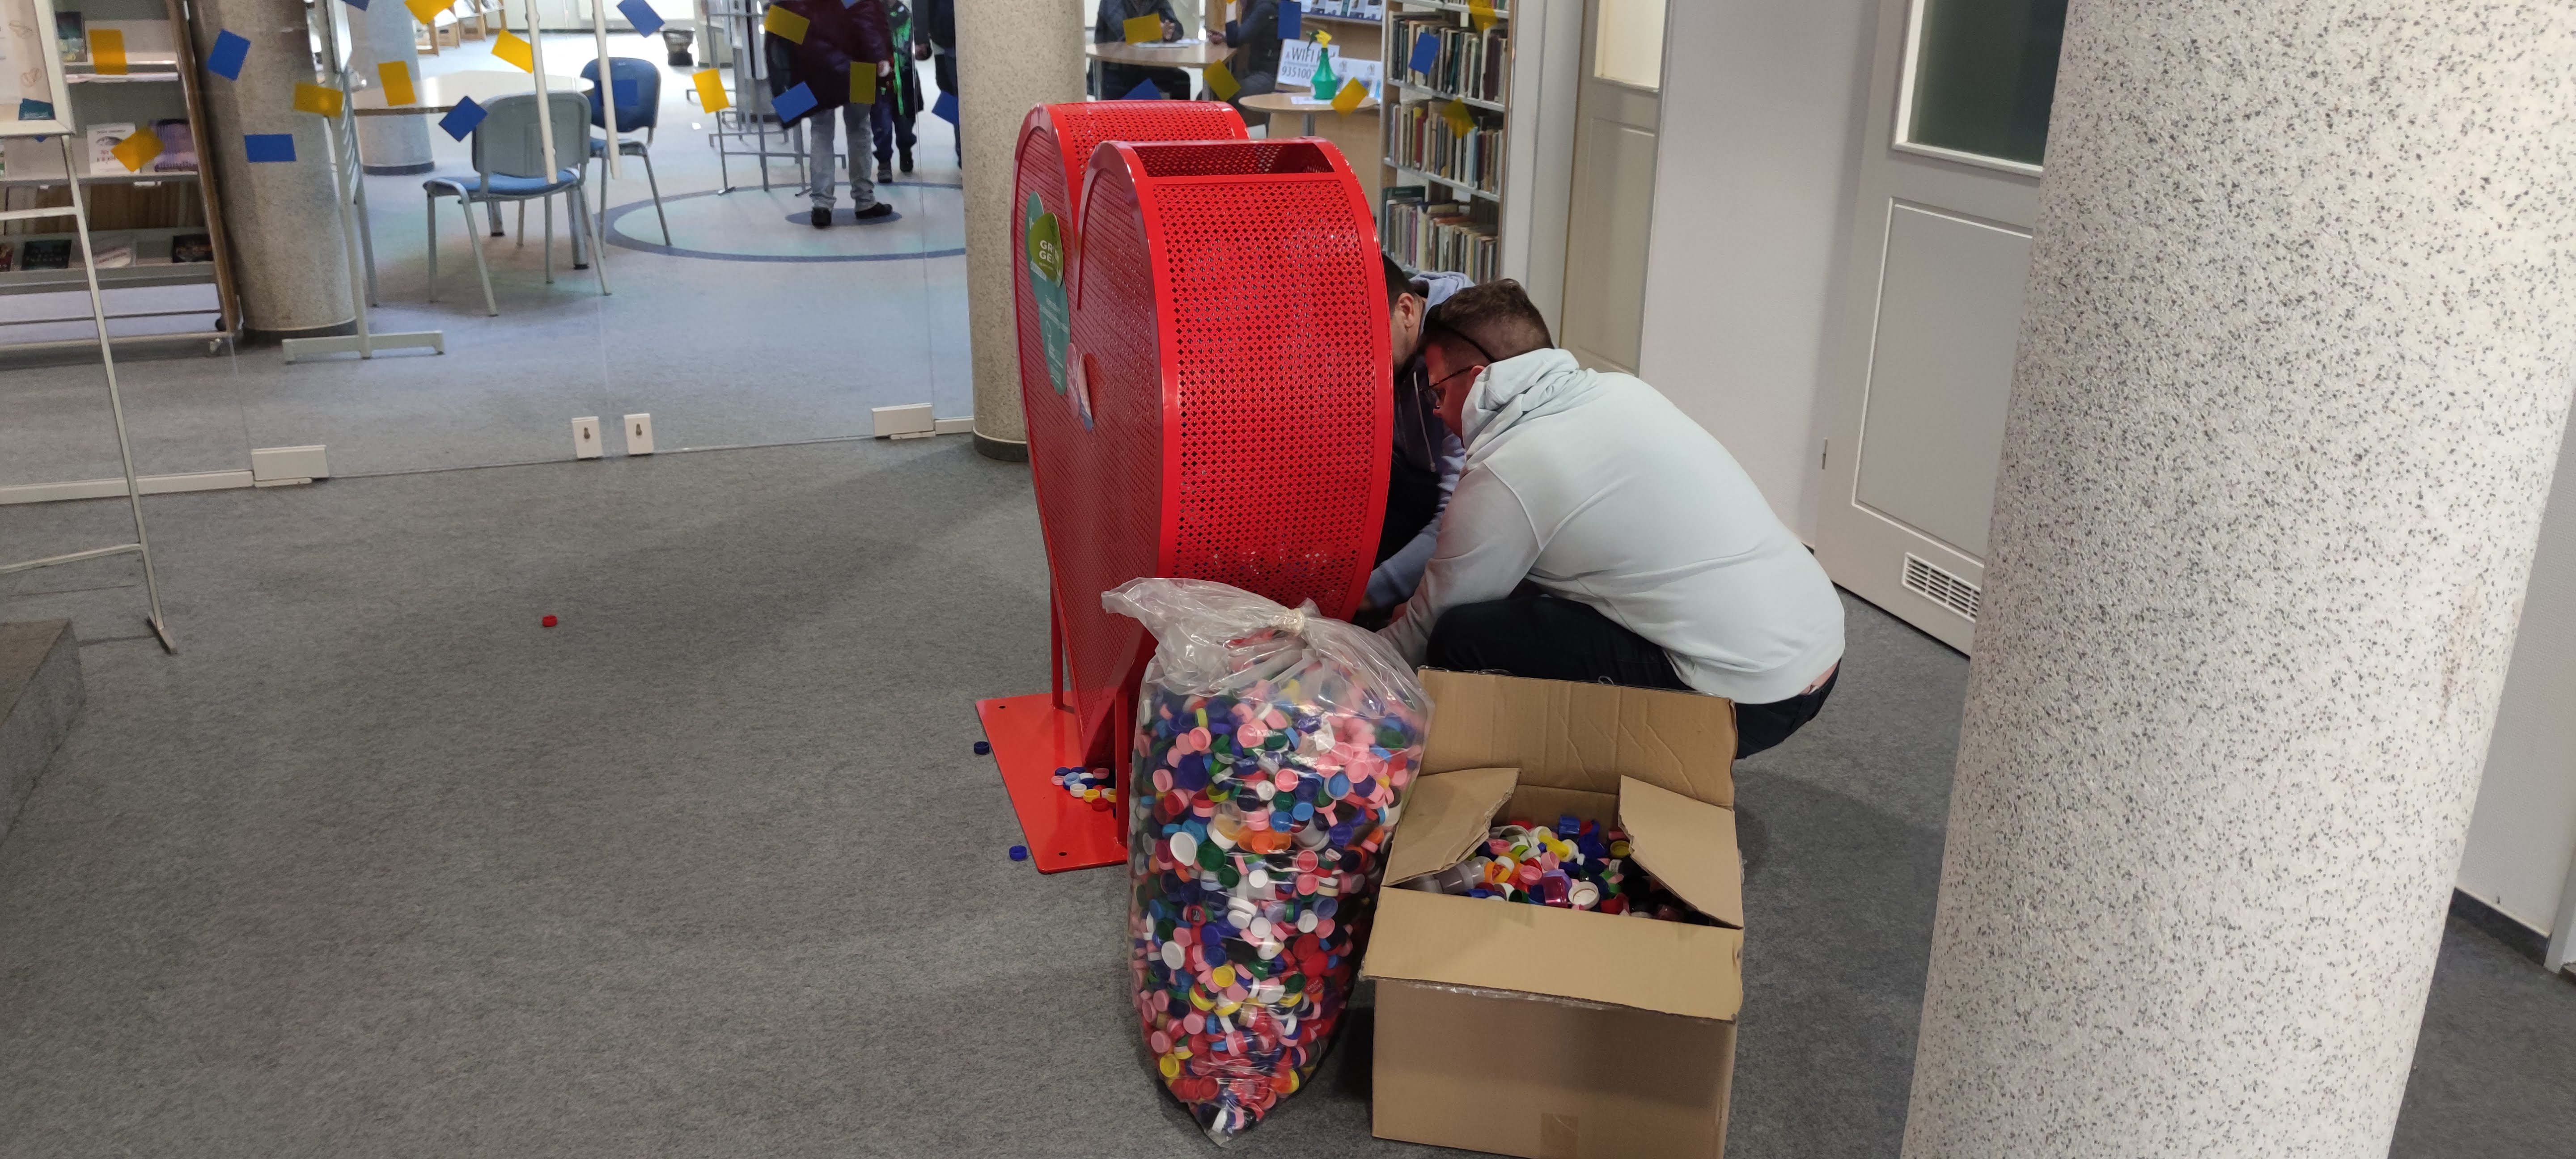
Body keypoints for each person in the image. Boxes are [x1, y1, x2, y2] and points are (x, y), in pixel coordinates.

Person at [1379, 280, 1845, 758]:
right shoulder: (1622, 389)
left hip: (1751, 699)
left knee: (1459, 637)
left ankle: (1544, 764)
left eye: (1438, 392)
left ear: (1478, 380)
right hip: (1819, 637)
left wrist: (1343, 668)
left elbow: (1425, 629)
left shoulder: (1510, 468)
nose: (1436, 411)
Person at [1358, 253, 1467, 626]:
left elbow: (1455, 519)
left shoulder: (1460, 353)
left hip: (1446, 499)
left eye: (1368, 345)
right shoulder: (1390, 331)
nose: (1362, 363)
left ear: (1406, 310)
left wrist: (1368, 595)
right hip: (1402, 470)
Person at [766, 0, 894, 227]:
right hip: (860, 67)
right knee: (860, 129)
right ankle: (864, 200)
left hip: (814, 69)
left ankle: (822, 205)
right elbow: (867, 18)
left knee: (821, 131)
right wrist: (882, 62)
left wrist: (785, 91)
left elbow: (779, 36)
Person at [1094, 0, 1190, 101]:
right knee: (1156, 87)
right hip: (1115, 69)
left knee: (1181, 80)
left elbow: (1177, 29)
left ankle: (1179, 111)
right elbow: (1123, 31)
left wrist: (1169, 32)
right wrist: (1154, 29)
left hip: (1147, 66)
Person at [1207, 0, 1283, 124]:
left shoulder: (1265, 8)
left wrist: (1230, 4)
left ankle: (1220, 131)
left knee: (1228, 96)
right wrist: (1225, 37)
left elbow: (1235, 40)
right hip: (1253, 72)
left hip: (1269, 76)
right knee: (1210, 87)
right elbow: (1243, 34)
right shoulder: (1254, 6)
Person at [873, 0, 923, 181]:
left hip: (905, 79)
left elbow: (913, 44)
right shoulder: (870, 13)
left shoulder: (905, 14)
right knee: (882, 123)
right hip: (880, 82)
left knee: (905, 125)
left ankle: (906, 150)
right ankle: (884, 162)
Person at [912, 0, 957, 161]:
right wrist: (921, 38)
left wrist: (921, 39)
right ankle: (963, 153)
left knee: (954, 92)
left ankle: (963, 154)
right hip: (945, 36)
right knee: (951, 90)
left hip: (946, 34)